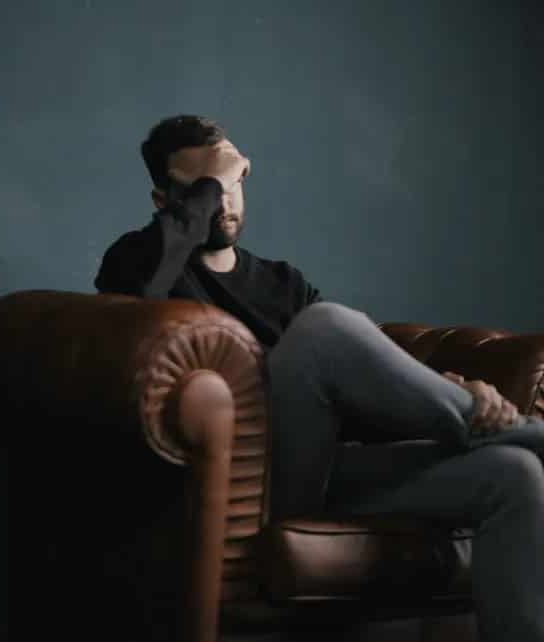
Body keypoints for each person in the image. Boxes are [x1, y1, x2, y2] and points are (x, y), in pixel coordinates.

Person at [94, 114, 544, 642]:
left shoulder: (283, 282)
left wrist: (450, 387)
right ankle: (514, 429)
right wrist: (214, 180)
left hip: (331, 470)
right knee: (323, 326)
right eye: (206, 185)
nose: (224, 199)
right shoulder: (139, 263)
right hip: (253, 485)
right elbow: (134, 297)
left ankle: (497, 431)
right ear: (163, 200)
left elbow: (356, 381)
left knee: (514, 474)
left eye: (234, 180)